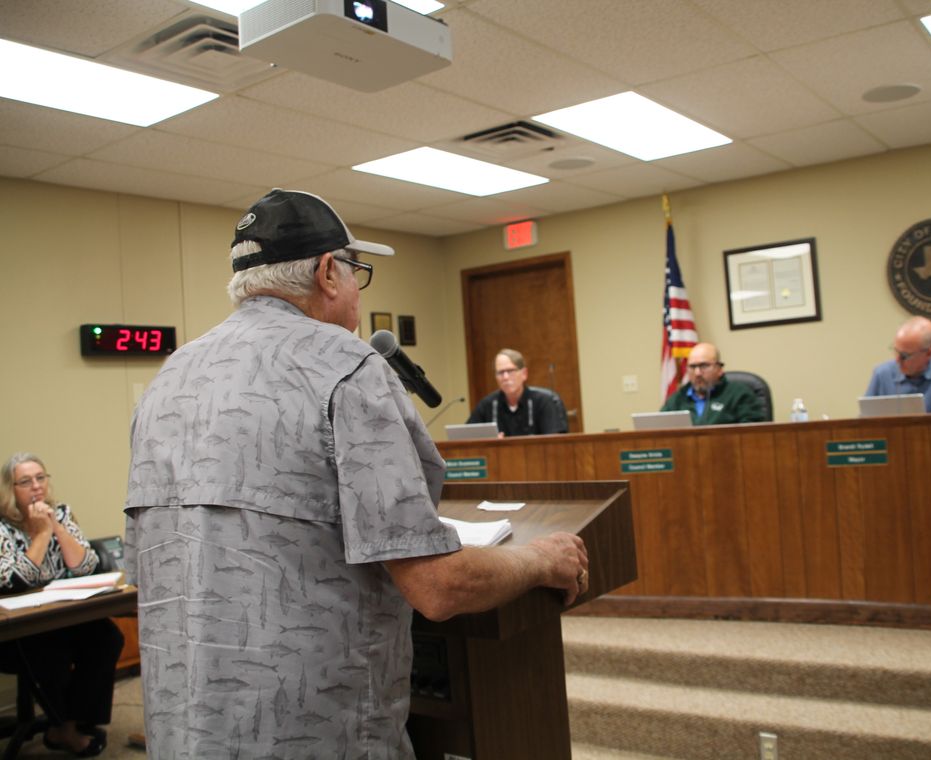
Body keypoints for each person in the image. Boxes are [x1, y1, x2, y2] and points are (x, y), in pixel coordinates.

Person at [123, 189, 588, 758]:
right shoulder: (348, 368)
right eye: (356, 271)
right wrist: (543, 559)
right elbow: (436, 587)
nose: (357, 296)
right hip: (317, 729)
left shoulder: (166, 381)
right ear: (326, 273)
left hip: (185, 731)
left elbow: (148, 574)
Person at [0, 453, 123, 758]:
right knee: (51, 653)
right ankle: (64, 730)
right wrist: (40, 534)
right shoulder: (4, 528)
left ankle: (76, 719)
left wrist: (55, 526)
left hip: (60, 617)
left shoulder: (61, 514)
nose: (37, 487)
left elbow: (86, 566)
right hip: (17, 628)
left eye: (41, 478)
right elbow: (14, 580)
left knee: (107, 638)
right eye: (26, 481)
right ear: (10, 490)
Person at [865, 316, 931, 412]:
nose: (897, 360)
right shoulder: (882, 373)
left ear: (928, 353)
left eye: (904, 355)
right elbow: (864, 422)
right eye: (896, 351)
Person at [466, 348, 570, 437]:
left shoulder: (545, 401)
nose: (505, 377)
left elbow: (555, 443)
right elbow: (466, 439)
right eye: (500, 372)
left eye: (510, 371)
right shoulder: (487, 405)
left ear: (524, 373)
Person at [660, 342, 764, 425]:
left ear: (719, 369)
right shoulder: (677, 399)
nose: (697, 373)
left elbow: (753, 435)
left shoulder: (740, 394)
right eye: (692, 367)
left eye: (704, 366)